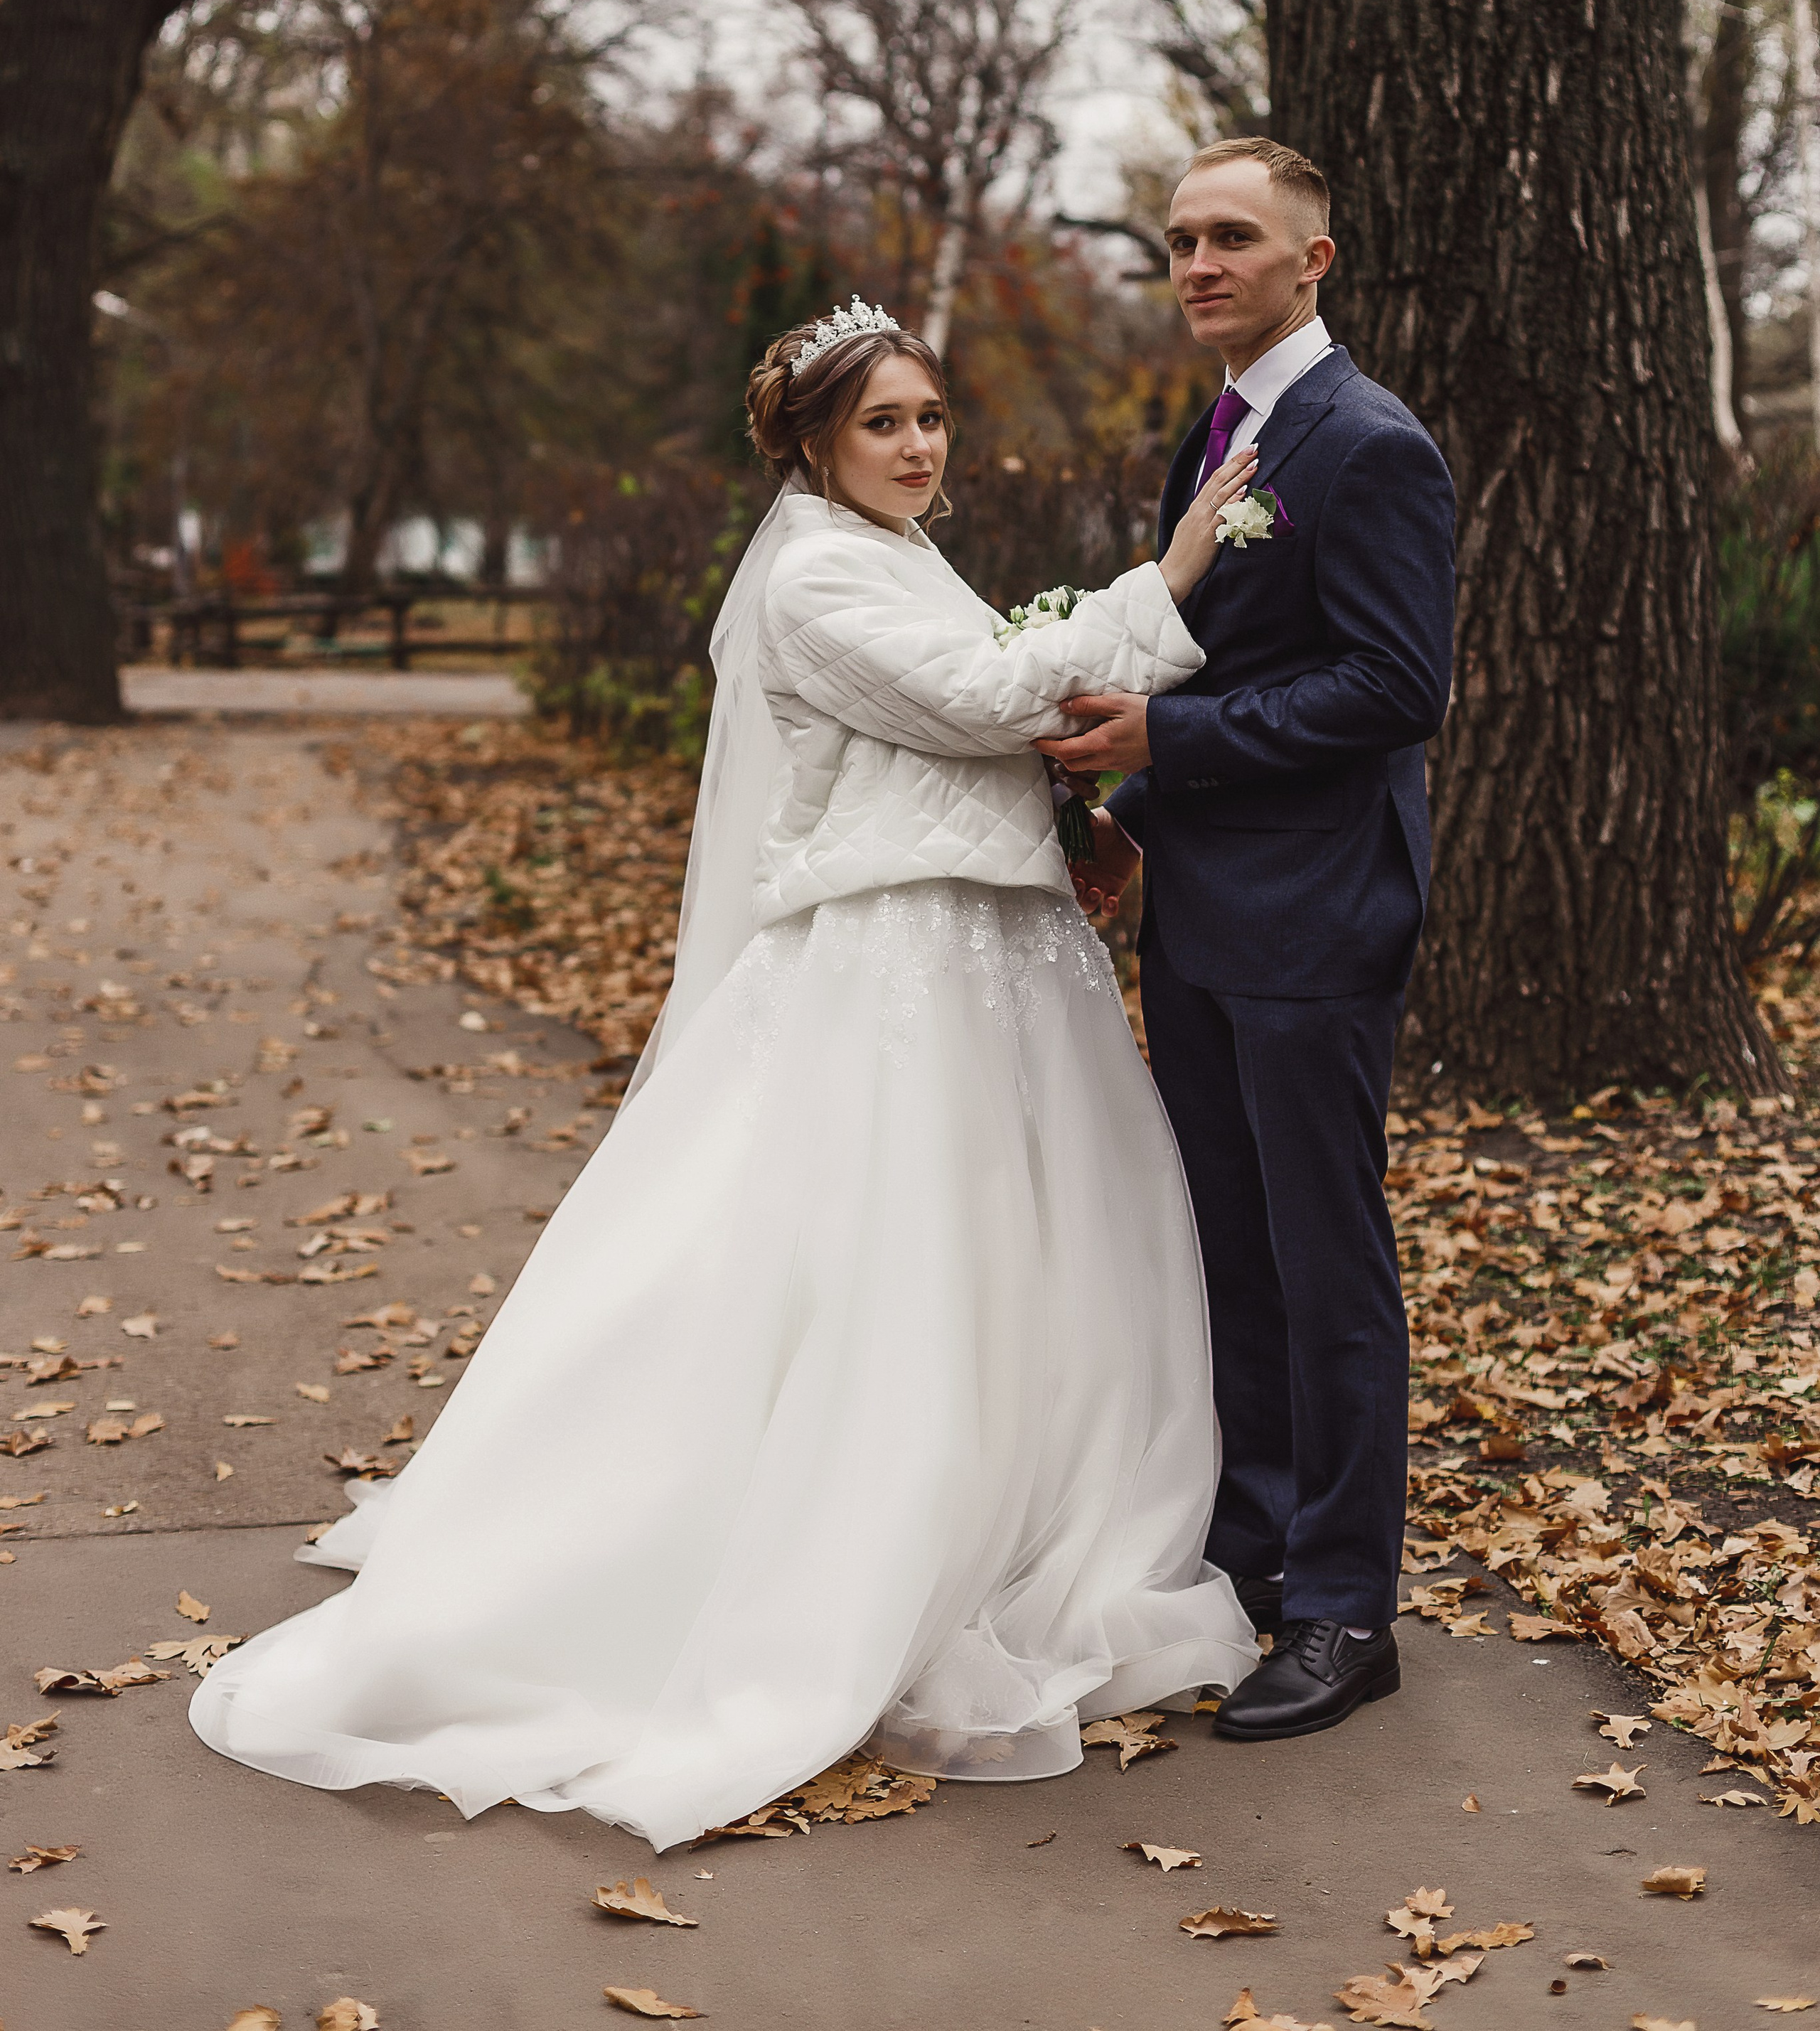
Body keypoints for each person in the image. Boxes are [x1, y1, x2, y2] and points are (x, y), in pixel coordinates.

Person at [189, 301, 1260, 1852]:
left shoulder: (894, 557)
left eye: (930, 417)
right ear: (817, 441)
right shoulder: (817, 571)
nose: (916, 444)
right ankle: (833, 1553)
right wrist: (1163, 582)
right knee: (887, 1271)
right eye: (883, 421)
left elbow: (961, 726)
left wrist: (1070, 817)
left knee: (1028, 1261)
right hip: (894, 968)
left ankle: (1030, 1525)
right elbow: (975, 699)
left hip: (991, 952)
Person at [1049, 137, 1456, 1742]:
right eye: (1178, 241)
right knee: (1230, 1243)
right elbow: (1214, 647)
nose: (1198, 263)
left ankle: (1348, 1606)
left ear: (1314, 260)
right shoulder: (1217, 429)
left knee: (1323, 1255)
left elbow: (1390, 688)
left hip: (1316, 912)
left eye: (1232, 237)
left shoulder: (1366, 446)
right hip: (1207, 906)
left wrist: (1167, 740)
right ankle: (1259, 1553)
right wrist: (1132, 816)